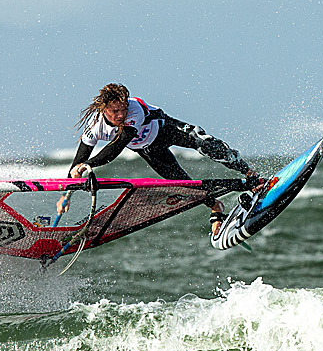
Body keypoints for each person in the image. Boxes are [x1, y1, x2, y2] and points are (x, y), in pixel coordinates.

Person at [63, 83, 264, 236]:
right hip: (150, 150)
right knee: (184, 184)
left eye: (123, 109)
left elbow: (117, 146)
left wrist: (89, 165)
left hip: (167, 130)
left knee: (207, 144)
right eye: (115, 111)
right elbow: (78, 161)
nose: (121, 114)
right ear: (103, 108)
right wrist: (66, 196)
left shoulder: (135, 110)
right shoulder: (95, 126)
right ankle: (215, 206)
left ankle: (249, 174)